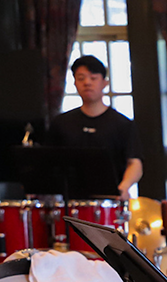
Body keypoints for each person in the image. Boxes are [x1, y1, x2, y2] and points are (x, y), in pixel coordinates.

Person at [48, 55, 143, 196]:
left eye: (93, 78)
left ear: (105, 83)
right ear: (74, 83)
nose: (87, 83)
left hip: (111, 199)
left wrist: (124, 186)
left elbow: (134, 163)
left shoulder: (122, 123)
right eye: (81, 78)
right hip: (71, 200)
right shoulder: (61, 123)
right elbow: (49, 162)